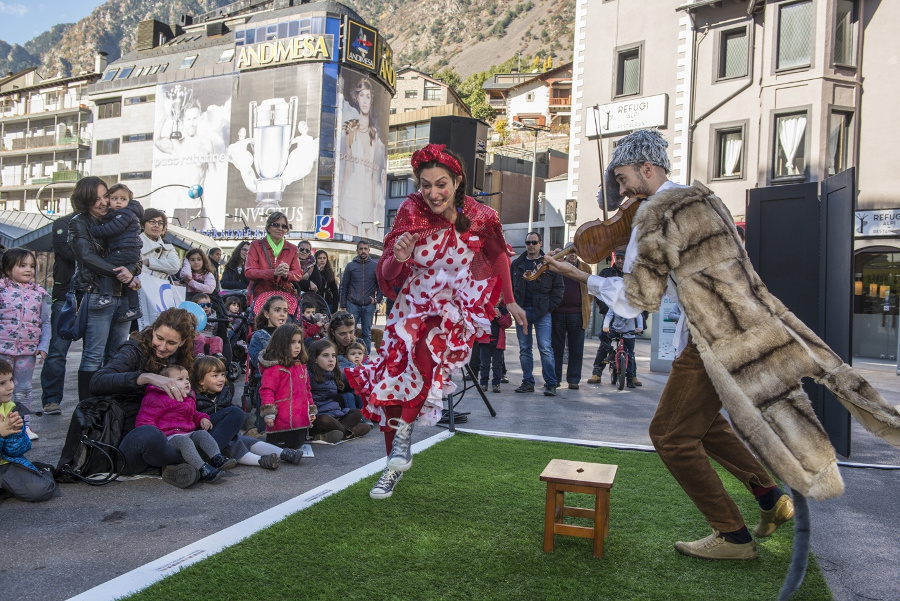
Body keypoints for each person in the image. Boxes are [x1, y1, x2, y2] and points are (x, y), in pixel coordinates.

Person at [542, 129, 796, 560]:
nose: (621, 193)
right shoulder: (702, 200)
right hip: (746, 321)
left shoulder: (654, 214)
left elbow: (636, 300)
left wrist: (583, 277)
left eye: (623, 180)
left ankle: (732, 536)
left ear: (647, 168)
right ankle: (771, 497)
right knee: (704, 423)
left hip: (714, 331)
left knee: (669, 434)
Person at [345, 143, 525, 500]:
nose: (432, 193)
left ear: (457, 181)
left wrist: (510, 301)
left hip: (453, 307)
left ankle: (403, 443)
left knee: (425, 363)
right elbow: (388, 272)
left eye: (440, 183)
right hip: (411, 307)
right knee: (391, 387)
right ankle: (394, 462)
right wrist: (398, 258)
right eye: (425, 185)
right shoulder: (411, 211)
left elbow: (498, 256)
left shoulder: (482, 215)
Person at [91, 308, 245, 488]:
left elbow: (193, 399)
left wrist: (204, 410)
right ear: (154, 329)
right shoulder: (133, 350)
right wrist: (146, 377)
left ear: (183, 342)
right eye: (159, 338)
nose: (162, 347)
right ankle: (189, 463)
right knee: (151, 433)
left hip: (178, 431)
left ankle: (189, 465)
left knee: (235, 414)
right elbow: (97, 382)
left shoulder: (181, 359)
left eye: (171, 343)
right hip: (139, 435)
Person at [69, 176, 141, 400]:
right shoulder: (80, 222)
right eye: (96, 198)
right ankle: (87, 409)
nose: (103, 202)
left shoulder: (120, 217)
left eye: (105, 196)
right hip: (97, 293)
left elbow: (135, 254)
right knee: (93, 355)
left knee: (117, 356)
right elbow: (87, 256)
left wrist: (132, 271)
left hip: (123, 296)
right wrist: (122, 274)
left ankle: (110, 408)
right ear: (85, 200)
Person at [192, 356, 302, 468]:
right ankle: (260, 461)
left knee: (247, 440)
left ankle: (284, 453)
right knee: (234, 443)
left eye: (222, 375)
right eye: (215, 376)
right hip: (208, 437)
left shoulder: (223, 393)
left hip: (225, 434)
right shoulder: (195, 398)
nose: (221, 379)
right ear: (201, 381)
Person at [135, 364, 238, 483]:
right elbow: (145, 420)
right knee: (184, 442)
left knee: (201, 434)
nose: (186, 382)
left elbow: (193, 413)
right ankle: (202, 469)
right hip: (167, 437)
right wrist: (156, 437)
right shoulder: (156, 397)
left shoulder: (187, 397)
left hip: (187, 432)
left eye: (187, 379)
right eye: (180, 379)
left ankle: (217, 458)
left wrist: (202, 418)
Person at [0, 248, 51, 439]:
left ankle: (23, 427)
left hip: (27, 352)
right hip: (2, 350)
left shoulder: (39, 294)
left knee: (23, 390)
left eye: (31, 266)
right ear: (7, 268)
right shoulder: (2, 290)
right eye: (22, 265)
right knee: (1, 388)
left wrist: (43, 346)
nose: (28, 270)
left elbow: (45, 322)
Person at [510, 231, 564, 396]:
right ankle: (527, 382)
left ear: (540, 243)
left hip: (542, 312)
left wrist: (550, 307)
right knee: (524, 348)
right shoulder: (517, 263)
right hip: (522, 311)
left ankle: (551, 383)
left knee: (545, 348)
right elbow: (511, 286)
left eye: (534, 242)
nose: (531, 246)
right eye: (528, 243)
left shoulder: (548, 263)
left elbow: (559, 288)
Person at [0, 359, 57, 502]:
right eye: (2, 383)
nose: (10, 387)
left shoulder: (11, 408)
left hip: (5, 465)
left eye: (11, 380)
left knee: (41, 491)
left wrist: (16, 433)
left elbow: (20, 450)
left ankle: (42, 472)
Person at [337, 77, 386, 239]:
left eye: (368, 96)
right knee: (349, 243)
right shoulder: (350, 127)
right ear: (356, 98)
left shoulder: (374, 132)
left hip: (366, 198)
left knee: (368, 245)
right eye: (361, 96)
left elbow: (373, 174)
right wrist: (338, 206)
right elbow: (348, 169)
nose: (365, 101)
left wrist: (372, 210)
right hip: (351, 194)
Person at [87, 183, 143, 323]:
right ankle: (134, 308)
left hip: (124, 250)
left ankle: (106, 296)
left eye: (123, 199)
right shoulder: (125, 214)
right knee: (128, 278)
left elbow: (111, 229)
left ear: (129, 201)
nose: (118, 202)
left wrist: (92, 230)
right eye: (114, 198)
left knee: (107, 267)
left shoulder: (125, 214)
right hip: (130, 251)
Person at [40, 211, 77, 416]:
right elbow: (68, 252)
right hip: (65, 294)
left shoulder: (104, 223)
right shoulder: (63, 223)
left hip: (94, 294)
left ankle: (91, 401)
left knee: (93, 353)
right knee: (57, 350)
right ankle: (52, 399)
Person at [258, 323, 315, 449]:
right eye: (292, 342)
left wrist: (310, 409)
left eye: (299, 342)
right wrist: (269, 413)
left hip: (299, 420)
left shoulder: (301, 366)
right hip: (281, 420)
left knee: (297, 446)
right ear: (281, 344)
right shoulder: (275, 368)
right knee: (279, 448)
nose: (297, 346)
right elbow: (267, 390)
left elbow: (307, 390)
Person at [306, 339, 369, 443]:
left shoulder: (334, 373)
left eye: (333, 355)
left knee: (357, 412)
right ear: (315, 359)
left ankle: (332, 434)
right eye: (325, 355)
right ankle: (348, 433)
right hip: (317, 417)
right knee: (324, 419)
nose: (331, 359)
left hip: (334, 414)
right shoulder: (309, 375)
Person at [550, 244, 592, 390]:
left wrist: (584, 304)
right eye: (570, 252)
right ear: (565, 253)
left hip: (577, 314)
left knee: (576, 348)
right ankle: (554, 380)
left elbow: (591, 291)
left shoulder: (585, 268)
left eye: (575, 252)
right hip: (558, 313)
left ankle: (573, 380)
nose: (573, 255)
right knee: (557, 348)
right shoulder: (558, 266)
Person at [588, 251, 628, 385]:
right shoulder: (606, 273)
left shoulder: (631, 275)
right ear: (614, 258)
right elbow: (597, 292)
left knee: (628, 345)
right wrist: (605, 309)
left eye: (622, 258)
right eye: (618, 258)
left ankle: (632, 375)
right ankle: (596, 373)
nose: (620, 261)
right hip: (609, 315)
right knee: (604, 341)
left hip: (626, 317)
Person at [245, 212, 302, 299]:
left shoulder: (293, 249)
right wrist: (272, 273)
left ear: (286, 230)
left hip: (284, 298)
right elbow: (249, 272)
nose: (280, 228)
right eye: (275, 225)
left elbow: (298, 273)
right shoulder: (256, 245)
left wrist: (287, 274)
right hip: (260, 297)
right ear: (268, 228)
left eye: (284, 226)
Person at [339, 241, 381, 355]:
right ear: (357, 250)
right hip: (352, 304)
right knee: (349, 332)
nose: (363, 251)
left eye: (365, 248)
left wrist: (378, 299)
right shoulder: (350, 266)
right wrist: (343, 305)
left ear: (369, 250)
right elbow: (344, 286)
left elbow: (380, 284)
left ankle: (365, 357)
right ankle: (348, 355)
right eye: (361, 248)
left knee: (366, 333)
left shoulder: (374, 266)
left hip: (368, 305)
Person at [602, 308, 643, 388]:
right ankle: (611, 352)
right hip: (616, 330)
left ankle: (630, 379)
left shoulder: (632, 304)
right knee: (602, 335)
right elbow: (609, 315)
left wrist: (640, 328)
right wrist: (606, 326)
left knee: (630, 356)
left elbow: (639, 315)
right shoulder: (615, 303)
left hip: (629, 332)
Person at [248, 296, 289, 371]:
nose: (282, 314)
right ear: (267, 314)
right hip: (268, 376)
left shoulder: (289, 334)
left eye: (285, 311)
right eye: (277, 310)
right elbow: (256, 361)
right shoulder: (259, 336)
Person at [478, 305, 512, 393]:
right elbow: (478, 321)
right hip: (485, 341)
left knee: (497, 365)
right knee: (484, 364)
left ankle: (496, 383)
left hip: (498, 342)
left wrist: (500, 316)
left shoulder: (503, 310)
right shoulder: (483, 307)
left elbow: (508, 323)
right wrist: (489, 313)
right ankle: (483, 383)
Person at [139, 208, 181, 280]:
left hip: (158, 289)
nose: (156, 225)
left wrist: (149, 262)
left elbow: (175, 266)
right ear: (142, 225)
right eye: (152, 222)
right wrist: (162, 273)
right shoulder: (134, 242)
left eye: (160, 223)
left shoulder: (168, 247)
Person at [309, 249, 340, 314]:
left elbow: (335, 291)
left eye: (324, 258)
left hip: (327, 303)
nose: (322, 260)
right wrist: (317, 271)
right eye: (319, 258)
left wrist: (335, 307)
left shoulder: (329, 273)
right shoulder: (311, 271)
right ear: (316, 259)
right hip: (314, 303)